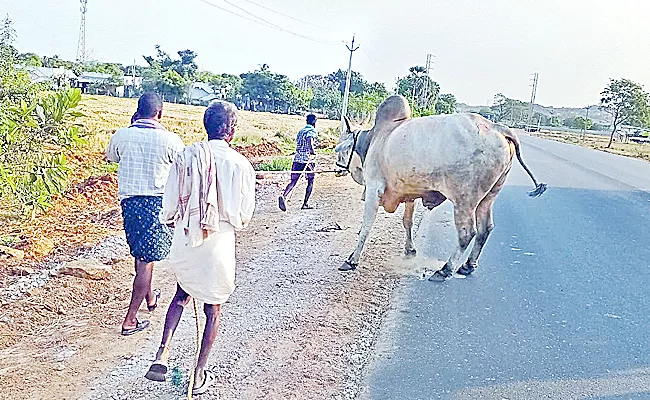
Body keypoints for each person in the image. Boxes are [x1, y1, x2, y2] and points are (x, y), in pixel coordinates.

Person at [145, 100, 255, 396]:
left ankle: (162, 353)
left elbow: (168, 207)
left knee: (181, 294)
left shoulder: (186, 156)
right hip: (219, 242)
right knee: (213, 309)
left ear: (206, 127)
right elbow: (244, 216)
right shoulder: (240, 164)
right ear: (231, 131)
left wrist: (176, 219)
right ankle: (199, 373)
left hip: (186, 236)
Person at [106, 93, 184, 336]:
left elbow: (111, 157)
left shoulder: (122, 135)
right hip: (157, 204)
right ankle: (130, 320)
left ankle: (150, 298)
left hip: (130, 203)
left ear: (137, 111)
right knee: (146, 261)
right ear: (160, 113)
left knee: (141, 255)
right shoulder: (171, 140)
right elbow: (182, 170)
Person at [278, 114, 318, 211]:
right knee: (310, 181)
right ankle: (305, 203)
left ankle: (284, 196)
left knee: (293, 181)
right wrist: (312, 150)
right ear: (314, 122)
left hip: (297, 159)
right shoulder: (311, 131)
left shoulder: (301, 131)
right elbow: (310, 139)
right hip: (307, 160)